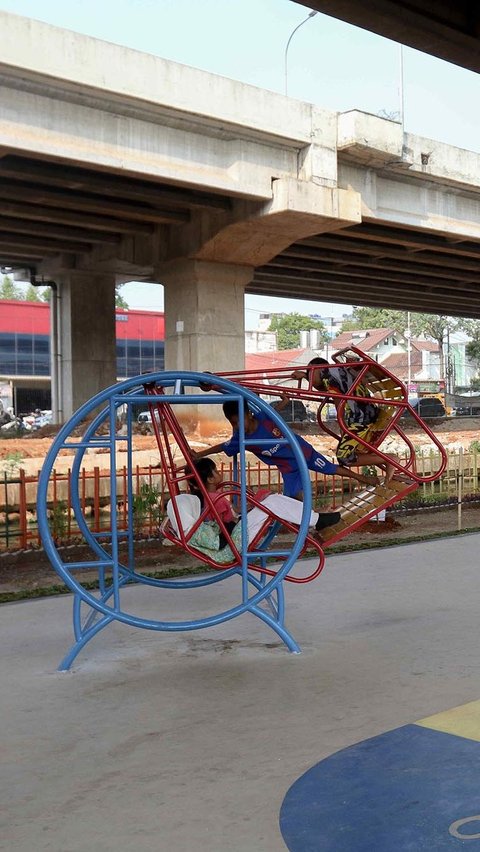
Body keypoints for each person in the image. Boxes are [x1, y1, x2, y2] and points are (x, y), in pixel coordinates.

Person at [192, 399, 379, 500]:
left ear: (249, 414)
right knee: (293, 496)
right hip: (287, 466)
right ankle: (309, 525)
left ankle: (365, 478)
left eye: (241, 420)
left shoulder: (263, 416)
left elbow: (275, 409)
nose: (239, 425)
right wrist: (199, 454)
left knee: (330, 468)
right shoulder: (239, 438)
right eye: (234, 423)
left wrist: (285, 400)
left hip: (301, 452)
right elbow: (222, 446)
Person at [169, 459, 341, 563]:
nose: (218, 472)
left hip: (233, 537)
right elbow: (227, 524)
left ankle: (314, 519)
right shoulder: (209, 505)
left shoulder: (200, 506)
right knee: (271, 501)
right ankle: (315, 520)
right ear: (209, 478)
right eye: (215, 470)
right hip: (234, 544)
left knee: (271, 501)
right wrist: (249, 509)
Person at [292, 357, 399, 484]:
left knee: (344, 457)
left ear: (319, 367)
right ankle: (387, 462)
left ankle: (390, 459)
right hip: (364, 415)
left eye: (310, 371)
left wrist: (305, 374)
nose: (310, 377)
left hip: (361, 418)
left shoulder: (328, 372)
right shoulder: (334, 374)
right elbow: (320, 387)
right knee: (354, 452)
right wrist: (305, 375)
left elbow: (338, 404)